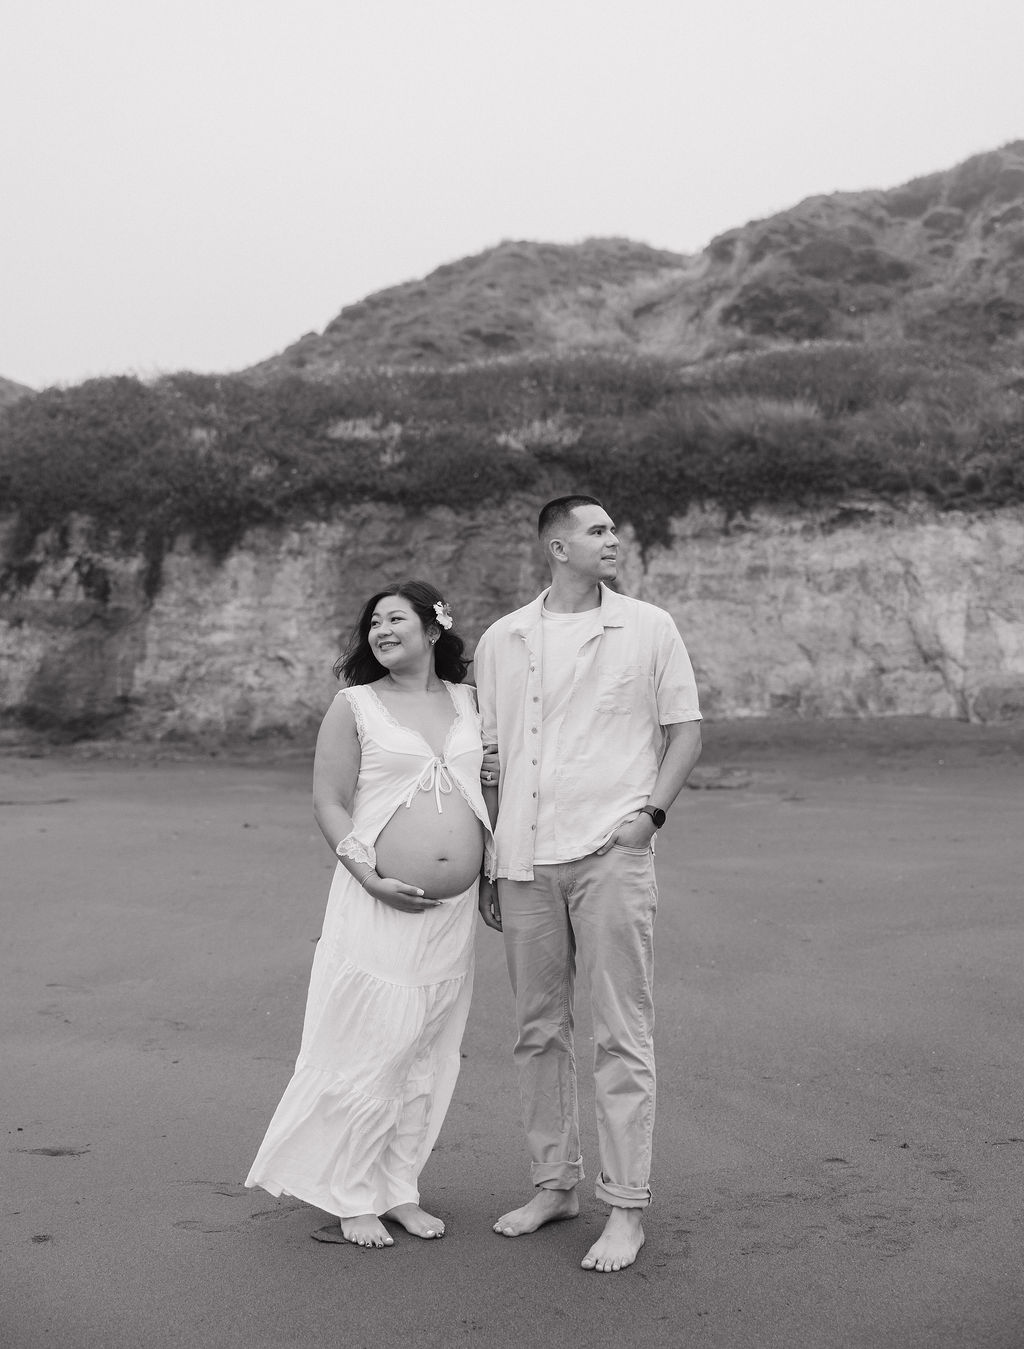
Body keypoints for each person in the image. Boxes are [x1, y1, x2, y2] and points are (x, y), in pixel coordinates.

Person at [473, 495, 702, 1273]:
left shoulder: (649, 626)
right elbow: (493, 756)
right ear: (556, 545)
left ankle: (626, 1207)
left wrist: (650, 816)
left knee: (620, 1031)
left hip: (612, 849)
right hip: (525, 857)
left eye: (613, 530)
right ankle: (553, 1185)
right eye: (598, 530)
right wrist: (491, 857)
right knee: (536, 1029)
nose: (614, 539)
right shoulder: (502, 639)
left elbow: (685, 729)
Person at [246, 580, 492, 1249]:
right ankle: (352, 1193)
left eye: (396, 618)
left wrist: (491, 873)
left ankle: (399, 1188)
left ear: (434, 628)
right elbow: (328, 800)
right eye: (373, 623)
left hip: (451, 912)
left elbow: (492, 790)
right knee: (370, 1044)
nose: (381, 630)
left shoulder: (473, 702)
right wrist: (370, 875)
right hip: (376, 901)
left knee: (425, 1050)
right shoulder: (354, 705)